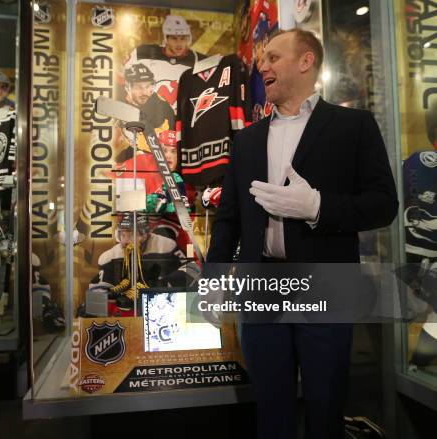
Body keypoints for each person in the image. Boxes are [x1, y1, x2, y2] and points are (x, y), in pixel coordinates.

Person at [206, 29, 398, 438]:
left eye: (273, 57)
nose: (263, 66)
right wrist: (213, 280)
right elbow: (229, 218)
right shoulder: (248, 140)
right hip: (262, 287)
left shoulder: (354, 126)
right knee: (271, 412)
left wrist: (319, 208)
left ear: (306, 61)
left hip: (325, 285)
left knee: (325, 408)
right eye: (262, 59)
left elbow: (384, 205)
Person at [125, 15, 206, 110]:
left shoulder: (199, 60)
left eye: (183, 38)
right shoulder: (143, 52)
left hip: (180, 117)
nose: (179, 43)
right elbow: (125, 77)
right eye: (174, 38)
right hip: (149, 114)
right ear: (166, 38)